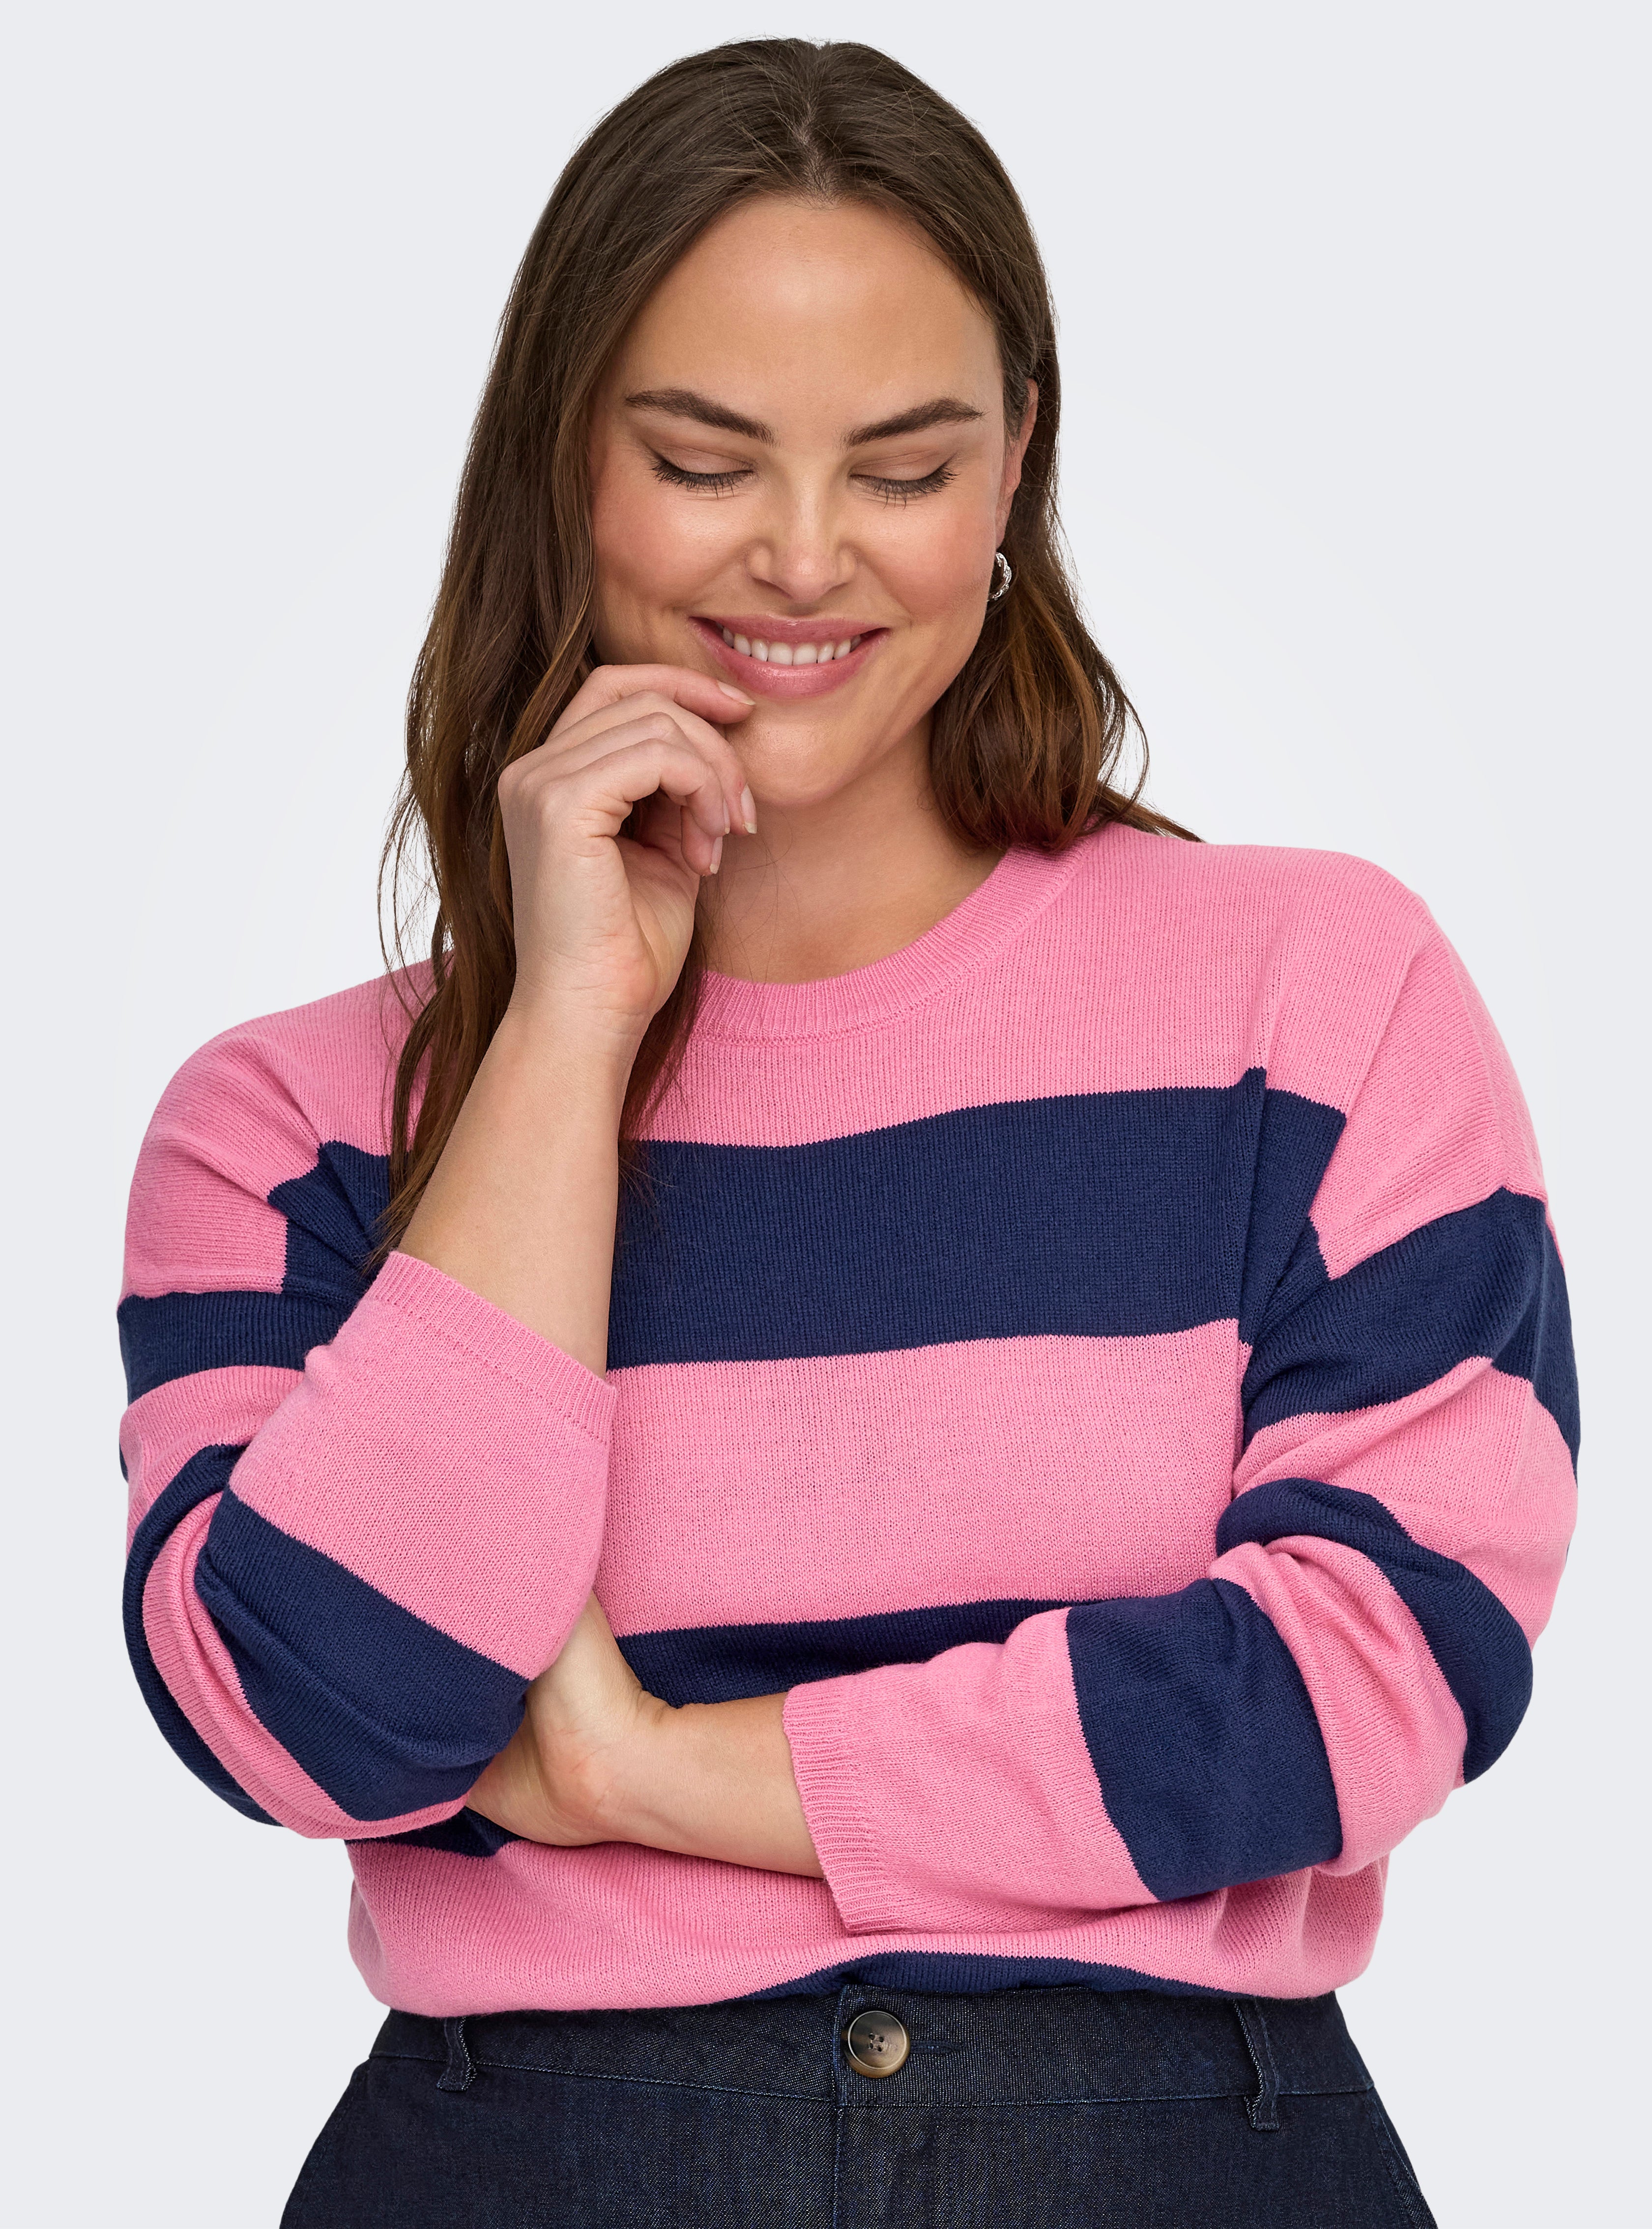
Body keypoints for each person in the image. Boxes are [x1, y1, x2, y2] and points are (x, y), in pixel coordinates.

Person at [116, 38, 1577, 2227]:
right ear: (560, 467)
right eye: (701, 461)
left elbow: (1381, 1670)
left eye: (903, 467)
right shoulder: (295, 1129)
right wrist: (564, 1033)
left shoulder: (1313, 998)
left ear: (1012, 478)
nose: (802, 559)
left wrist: (649, 1771)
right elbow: (318, 1719)